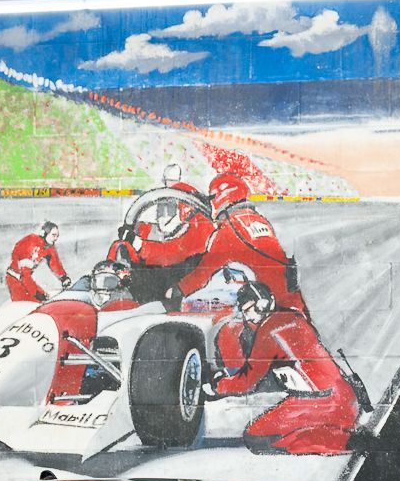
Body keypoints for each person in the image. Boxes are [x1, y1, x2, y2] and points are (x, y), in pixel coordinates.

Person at [209, 275, 361, 457]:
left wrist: (218, 385)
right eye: (245, 311)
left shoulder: (269, 330)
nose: (249, 316)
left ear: (263, 303)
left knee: (256, 437)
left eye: (249, 309)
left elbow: (247, 381)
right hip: (340, 397)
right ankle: (340, 433)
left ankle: (344, 441)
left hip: (322, 402)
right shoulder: (293, 316)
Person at [124, 168, 306, 315]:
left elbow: (205, 269)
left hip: (265, 306)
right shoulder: (257, 220)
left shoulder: (230, 229)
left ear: (220, 197)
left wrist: (178, 290)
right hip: (288, 301)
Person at [5, 219, 68, 304]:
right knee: (29, 305)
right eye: (53, 235)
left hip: (26, 279)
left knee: (41, 301)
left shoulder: (48, 245)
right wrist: (37, 293)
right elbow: (25, 276)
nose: (56, 238)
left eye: (57, 236)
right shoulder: (31, 245)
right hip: (16, 280)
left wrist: (63, 277)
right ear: (44, 233)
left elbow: (54, 262)